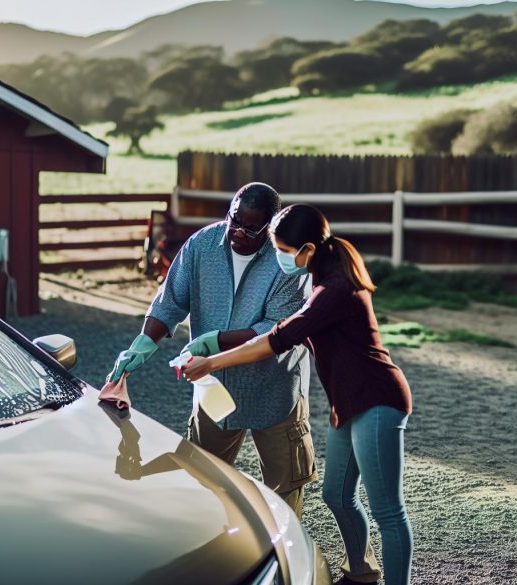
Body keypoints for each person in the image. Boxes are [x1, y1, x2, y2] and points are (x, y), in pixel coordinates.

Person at [182, 204, 414, 585]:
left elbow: (273, 340)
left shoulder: (335, 289)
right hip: (347, 403)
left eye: (283, 251)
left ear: (307, 249)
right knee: (336, 495)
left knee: (388, 512)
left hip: (377, 400)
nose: (279, 258)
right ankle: (361, 575)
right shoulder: (321, 274)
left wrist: (212, 361)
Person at [106, 182, 316, 517]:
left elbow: (277, 330)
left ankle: (285, 546)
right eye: (235, 221)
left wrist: (214, 342)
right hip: (215, 388)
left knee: (284, 489)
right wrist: (141, 346)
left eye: (251, 228)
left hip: (274, 389)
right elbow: (170, 302)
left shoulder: (287, 261)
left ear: (271, 227)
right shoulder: (201, 245)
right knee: (200, 476)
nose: (238, 232)